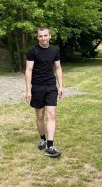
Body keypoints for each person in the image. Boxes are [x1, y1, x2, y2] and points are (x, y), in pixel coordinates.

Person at [25, 27, 64, 158]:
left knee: (52, 115)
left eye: (45, 35)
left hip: (51, 87)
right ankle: (43, 138)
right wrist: (28, 90)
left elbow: (58, 68)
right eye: (40, 36)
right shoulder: (33, 51)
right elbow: (28, 70)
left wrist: (61, 86)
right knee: (40, 116)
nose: (43, 38)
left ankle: (50, 146)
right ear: (38, 37)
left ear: (50, 36)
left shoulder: (54, 50)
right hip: (37, 87)